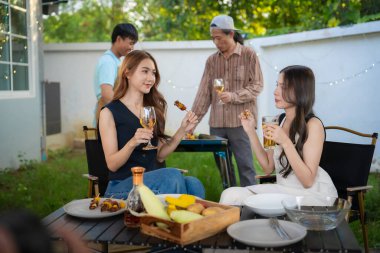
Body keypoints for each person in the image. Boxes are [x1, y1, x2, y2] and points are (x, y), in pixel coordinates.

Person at [219, 65, 338, 205]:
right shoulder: (277, 121)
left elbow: (308, 181)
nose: (276, 92)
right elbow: (268, 167)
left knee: (236, 197)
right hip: (284, 191)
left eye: (283, 87)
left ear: (300, 90)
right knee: (230, 194)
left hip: (311, 195)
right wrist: (250, 131)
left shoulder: (313, 125)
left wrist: (285, 142)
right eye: (277, 85)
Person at [99, 50, 205, 199]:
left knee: (194, 184)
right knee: (172, 176)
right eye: (145, 71)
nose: (151, 78)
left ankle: (184, 220)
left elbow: (160, 156)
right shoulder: (109, 113)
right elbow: (112, 164)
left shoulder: (154, 109)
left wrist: (182, 129)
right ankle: (173, 219)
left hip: (155, 181)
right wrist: (132, 143)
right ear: (127, 73)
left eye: (153, 73)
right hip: (122, 185)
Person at [191, 15, 264, 187]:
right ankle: (232, 203)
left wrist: (234, 96)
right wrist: (192, 121)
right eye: (213, 39)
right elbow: (203, 94)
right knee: (224, 169)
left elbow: (257, 85)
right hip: (217, 124)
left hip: (241, 123)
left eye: (219, 38)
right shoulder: (211, 61)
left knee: (246, 167)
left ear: (231, 34)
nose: (216, 42)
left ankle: (251, 206)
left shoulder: (249, 55)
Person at [94, 23, 138, 124]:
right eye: (130, 43)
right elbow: (107, 95)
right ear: (118, 39)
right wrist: (126, 115)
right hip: (108, 120)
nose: (132, 47)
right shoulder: (108, 61)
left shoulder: (116, 61)